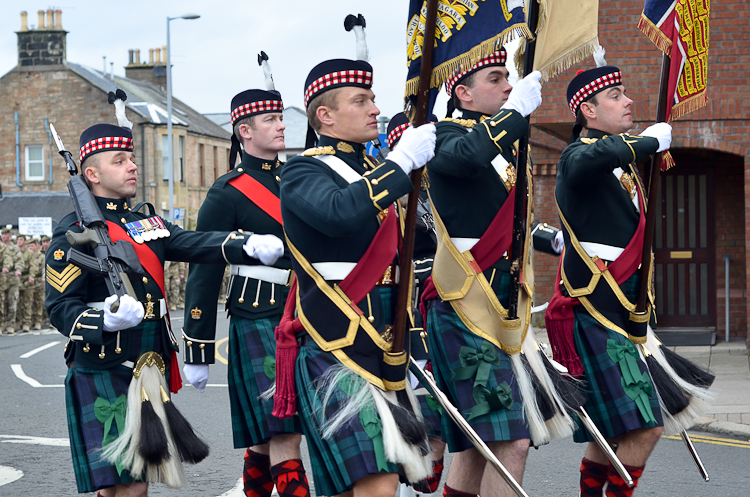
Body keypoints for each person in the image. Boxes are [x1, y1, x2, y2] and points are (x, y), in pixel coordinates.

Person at [45, 90, 285, 497]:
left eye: (132, 158)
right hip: (103, 360)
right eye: (119, 161)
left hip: (145, 360)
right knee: (119, 484)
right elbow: (59, 306)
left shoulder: (146, 222)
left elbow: (190, 242)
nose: (132, 166)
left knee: (135, 481)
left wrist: (241, 244)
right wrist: (102, 319)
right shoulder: (73, 232)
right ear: (92, 174)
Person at [276, 14, 437, 497]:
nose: (375, 109)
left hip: (389, 341)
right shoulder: (302, 174)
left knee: (365, 484)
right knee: (377, 482)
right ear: (324, 115)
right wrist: (399, 165)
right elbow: (339, 213)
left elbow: (423, 244)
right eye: (360, 100)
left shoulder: (379, 170)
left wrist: (419, 187)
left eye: (372, 98)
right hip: (339, 342)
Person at [549, 50, 714, 496]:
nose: (628, 101)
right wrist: (646, 143)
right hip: (600, 310)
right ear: (588, 110)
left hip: (628, 312)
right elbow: (586, 161)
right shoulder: (577, 157)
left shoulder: (618, 162)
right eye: (615, 95)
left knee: (612, 432)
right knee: (646, 428)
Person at [423, 48, 574, 497]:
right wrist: (512, 115)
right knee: (512, 441)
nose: (509, 86)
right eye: (496, 78)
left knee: (477, 446)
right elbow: (467, 157)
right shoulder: (440, 135)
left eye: (509, 77)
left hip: (505, 302)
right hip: (466, 302)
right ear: (463, 92)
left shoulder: (502, 142)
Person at [182, 52, 310, 497]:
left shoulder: (298, 175)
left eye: (281, 116)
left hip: (306, 312)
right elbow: (203, 267)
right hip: (259, 316)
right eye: (271, 118)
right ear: (244, 131)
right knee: (283, 429)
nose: (281, 124)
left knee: (266, 434)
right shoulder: (227, 192)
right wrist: (197, 346)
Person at [3, 226, 24, 334]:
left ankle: (11, 324)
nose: (4, 236)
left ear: (10, 236)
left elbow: (20, 261)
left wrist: (18, 270)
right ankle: (2, 324)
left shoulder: (14, 248)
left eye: (6, 234)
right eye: (2, 234)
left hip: (12, 277)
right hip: (1, 278)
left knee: (12, 302)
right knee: (2, 303)